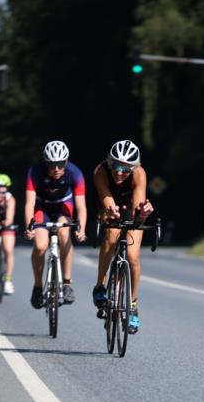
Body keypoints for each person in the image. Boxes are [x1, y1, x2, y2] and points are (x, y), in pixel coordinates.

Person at [92, 139, 153, 335]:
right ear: (109, 162)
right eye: (116, 165)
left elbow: (137, 206)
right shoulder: (100, 171)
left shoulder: (139, 174)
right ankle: (100, 285)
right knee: (110, 235)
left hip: (130, 206)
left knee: (133, 257)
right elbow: (107, 199)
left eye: (125, 169)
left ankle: (133, 305)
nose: (119, 172)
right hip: (110, 204)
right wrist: (110, 213)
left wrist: (142, 215)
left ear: (134, 168)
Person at [24, 140, 87, 308]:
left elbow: (81, 206)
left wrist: (81, 228)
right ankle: (38, 287)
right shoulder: (34, 172)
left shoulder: (75, 173)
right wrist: (29, 226)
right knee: (40, 246)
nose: (56, 169)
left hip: (63, 207)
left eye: (60, 164)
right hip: (41, 207)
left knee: (64, 233)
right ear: (46, 163)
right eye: (52, 165)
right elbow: (29, 203)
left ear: (66, 162)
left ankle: (66, 284)